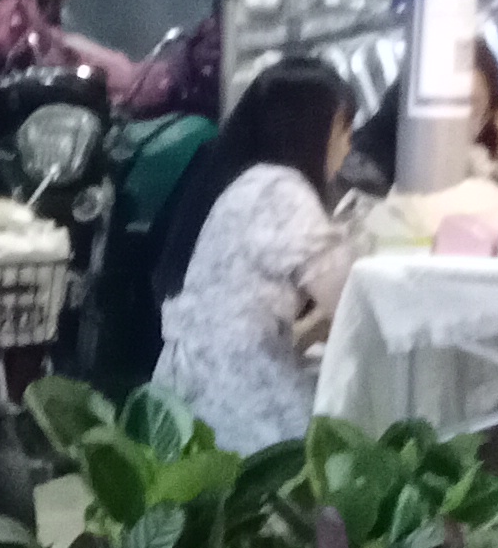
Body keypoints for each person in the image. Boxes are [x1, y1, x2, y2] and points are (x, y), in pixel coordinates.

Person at [148, 60, 357, 452]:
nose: (348, 145)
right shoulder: (283, 194)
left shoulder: (244, 182)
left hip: (189, 388)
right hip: (239, 400)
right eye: (344, 129)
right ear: (312, 129)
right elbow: (349, 301)